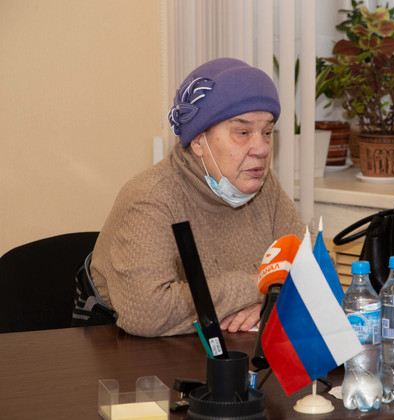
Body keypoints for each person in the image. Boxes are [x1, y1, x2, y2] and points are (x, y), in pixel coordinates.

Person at [85, 58, 305, 337]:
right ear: (199, 141)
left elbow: (313, 273)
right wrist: (259, 286)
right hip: (133, 357)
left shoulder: (261, 184)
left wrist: (272, 302)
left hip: (230, 351)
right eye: (242, 133)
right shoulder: (151, 198)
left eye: (267, 132)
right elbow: (147, 312)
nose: (261, 149)